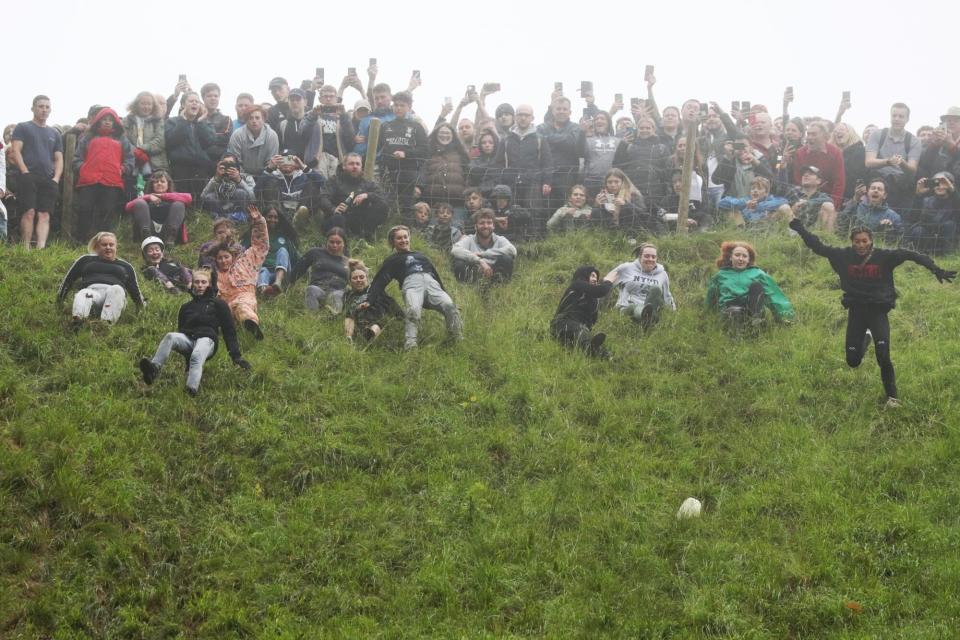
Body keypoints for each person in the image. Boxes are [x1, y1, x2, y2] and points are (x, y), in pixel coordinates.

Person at [788, 216, 955, 407]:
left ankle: (892, 398)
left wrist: (936, 269)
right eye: (857, 241)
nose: (860, 245)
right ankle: (866, 339)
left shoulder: (884, 256)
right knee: (852, 361)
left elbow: (912, 254)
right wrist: (799, 228)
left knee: (883, 356)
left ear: (871, 241)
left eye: (864, 241)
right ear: (851, 242)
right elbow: (818, 246)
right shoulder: (843, 256)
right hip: (857, 311)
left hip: (877, 311)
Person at [138, 268, 250, 396]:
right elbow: (181, 331)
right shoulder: (186, 307)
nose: (200, 285)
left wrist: (236, 357)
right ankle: (154, 369)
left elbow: (229, 330)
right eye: (197, 282)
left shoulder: (219, 304)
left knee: (197, 355)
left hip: (208, 340)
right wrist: (187, 363)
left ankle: (191, 389)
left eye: (203, 282)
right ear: (193, 284)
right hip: (189, 339)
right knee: (170, 336)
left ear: (209, 284)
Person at [367, 225, 463, 350]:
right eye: (399, 238)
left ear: (409, 238)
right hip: (411, 284)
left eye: (405, 237)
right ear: (393, 242)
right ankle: (411, 346)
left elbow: (435, 275)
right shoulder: (392, 260)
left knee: (450, 306)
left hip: (431, 284)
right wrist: (369, 300)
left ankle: (455, 339)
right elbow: (380, 280)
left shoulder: (421, 256)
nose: (403, 240)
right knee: (413, 310)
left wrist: (444, 292)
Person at [72, 107, 135, 241]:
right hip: (88, 181)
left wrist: (122, 170)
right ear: (98, 121)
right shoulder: (87, 137)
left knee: (107, 211)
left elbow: (130, 159)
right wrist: (84, 169)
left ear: (115, 122)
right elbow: (77, 158)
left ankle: (104, 242)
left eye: (110, 120)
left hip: (112, 181)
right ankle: (80, 241)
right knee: (84, 209)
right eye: (104, 119)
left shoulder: (122, 139)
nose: (107, 122)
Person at [57, 232, 145, 325]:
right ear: (97, 247)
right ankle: (78, 322)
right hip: (92, 294)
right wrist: (59, 301)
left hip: (115, 298)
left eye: (111, 245)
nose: (108, 247)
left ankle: (105, 325)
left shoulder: (126, 266)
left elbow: (136, 292)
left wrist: (143, 310)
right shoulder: (85, 260)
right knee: (84, 293)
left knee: (116, 289)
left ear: (116, 247)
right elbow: (68, 280)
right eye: (104, 245)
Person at [208, 204, 268, 339]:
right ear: (216, 260)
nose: (223, 261)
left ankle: (252, 326)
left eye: (226, 257)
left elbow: (260, 246)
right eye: (220, 258)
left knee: (241, 307)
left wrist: (258, 222)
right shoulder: (215, 274)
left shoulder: (245, 263)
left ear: (233, 256)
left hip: (245, 298)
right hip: (226, 304)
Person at [11, 95, 63, 249]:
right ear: (33, 108)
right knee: (29, 212)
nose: (44, 110)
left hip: (48, 178)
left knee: (44, 214)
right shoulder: (23, 127)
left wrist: (56, 178)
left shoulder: (55, 133)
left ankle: (41, 249)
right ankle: (25, 248)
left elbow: (59, 158)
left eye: (47, 107)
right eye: (41, 106)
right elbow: (16, 150)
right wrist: (25, 171)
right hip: (28, 175)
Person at [705, 240, 795, 324]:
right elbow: (711, 298)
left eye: (744, 256)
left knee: (756, 286)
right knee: (734, 314)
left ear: (748, 260)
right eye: (737, 255)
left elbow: (775, 296)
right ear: (730, 258)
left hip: (753, 310)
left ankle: (756, 322)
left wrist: (786, 317)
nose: (741, 259)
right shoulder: (721, 275)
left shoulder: (758, 273)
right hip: (730, 310)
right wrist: (708, 317)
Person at [494, 104, 553, 220]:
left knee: (533, 214)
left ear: (532, 118)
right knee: (510, 213)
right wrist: (499, 183)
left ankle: (534, 238)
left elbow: (547, 163)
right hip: (510, 183)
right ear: (515, 117)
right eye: (520, 115)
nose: (523, 118)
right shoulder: (506, 140)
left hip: (533, 184)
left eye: (527, 115)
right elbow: (498, 164)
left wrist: (547, 182)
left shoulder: (540, 139)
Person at [378, 91, 429, 223]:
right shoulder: (385, 126)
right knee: (386, 204)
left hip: (409, 173)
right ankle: (385, 234)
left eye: (402, 105)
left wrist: (406, 154)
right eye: (396, 105)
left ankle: (408, 235)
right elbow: (378, 148)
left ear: (409, 107)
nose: (398, 108)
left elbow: (425, 150)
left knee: (407, 208)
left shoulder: (416, 126)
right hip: (389, 172)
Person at [605, 243, 676, 329]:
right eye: (646, 256)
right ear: (640, 256)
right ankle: (648, 319)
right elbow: (607, 282)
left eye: (653, 257)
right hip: (627, 308)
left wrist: (673, 316)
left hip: (651, 307)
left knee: (656, 289)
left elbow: (667, 296)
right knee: (634, 308)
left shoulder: (662, 274)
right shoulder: (627, 268)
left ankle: (648, 319)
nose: (650, 259)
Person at [550, 266, 616, 358]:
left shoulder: (594, 301)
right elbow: (600, 291)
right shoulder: (576, 285)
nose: (595, 280)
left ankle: (606, 356)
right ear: (584, 275)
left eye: (596, 278)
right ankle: (590, 349)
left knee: (584, 334)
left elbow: (592, 321)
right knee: (580, 329)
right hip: (562, 323)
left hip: (577, 333)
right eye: (592, 276)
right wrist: (608, 281)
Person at [318, 152, 388, 238]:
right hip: (337, 218)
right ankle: (343, 243)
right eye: (351, 164)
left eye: (358, 164)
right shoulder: (334, 181)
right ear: (344, 166)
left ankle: (366, 236)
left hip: (358, 218)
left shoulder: (366, 183)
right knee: (338, 219)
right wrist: (333, 209)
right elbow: (323, 198)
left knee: (382, 205)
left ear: (361, 166)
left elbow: (383, 196)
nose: (355, 166)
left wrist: (367, 195)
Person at [865, 103, 921, 210]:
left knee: (897, 220)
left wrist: (902, 162)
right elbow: (869, 162)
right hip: (878, 180)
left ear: (907, 119)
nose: (896, 119)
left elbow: (912, 169)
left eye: (901, 116)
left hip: (900, 186)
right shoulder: (877, 134)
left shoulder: (914, 141)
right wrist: (888, 161)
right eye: (894, 115)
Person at [612, 116, 672, 212]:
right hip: (632, 190)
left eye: (648, 128)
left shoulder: (662, 148)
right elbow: (617, 167)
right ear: (637, 129)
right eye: (641, 128)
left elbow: (668, 173)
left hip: (655, 191)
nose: (644, 130)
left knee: (652, 220)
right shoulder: (629, 146)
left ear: (654, 130)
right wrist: (622, 146)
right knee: (633, 219)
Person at [165, 91, 217, 194]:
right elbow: (171, 141)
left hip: (201, 169)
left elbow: (209, 142)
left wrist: (201, 122)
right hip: (180, 168)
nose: (194, 103)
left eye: (197, 102)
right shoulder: (172, 122)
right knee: (183, 199)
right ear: (183, 104)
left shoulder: (205, 122)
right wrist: (183, 122)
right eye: (191, 101)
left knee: (199, 202)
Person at [288, 227, 350, 313]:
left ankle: (332, 317)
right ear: (326, 242)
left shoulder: (348, 262)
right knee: (311, 289)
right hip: (318, 288)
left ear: (344, 244)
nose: (335, 245)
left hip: (337, 291)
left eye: (338, 242)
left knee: (337, 295)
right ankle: (312, 318)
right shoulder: (315, 253)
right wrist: (287, 286)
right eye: (332, 242)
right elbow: (298, 269)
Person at [245, 203, 298, 298]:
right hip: (264, 271)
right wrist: (254, 225)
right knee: (263, 270)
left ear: (279, 220)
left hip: (283, 274)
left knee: (282, 250)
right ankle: (264, 291)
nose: (273, 220)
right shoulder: (256, 236)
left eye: (275, 217)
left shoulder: (284, 237)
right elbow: (242, 250)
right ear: (264, 218)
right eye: (269, 217)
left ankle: (278, 283)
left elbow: (296, 258)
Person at [343, 259, 403, 343]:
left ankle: (370, 336)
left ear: (367, 279)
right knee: (349, 315)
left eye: (361, 277)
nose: (358, 280)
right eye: (354, 278)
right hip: (357, 322)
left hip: (375, 319)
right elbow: (344, 311)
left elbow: (390, 304)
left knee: (376, 322)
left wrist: (401, 318)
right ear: (350, 282)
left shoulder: (375, 291)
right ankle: (348, 339)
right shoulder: (348, 295)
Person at [451, 208, 517, 283]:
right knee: (459, 262)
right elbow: (455, 249)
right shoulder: (469, 239)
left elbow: (512, 250)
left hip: (495, 275)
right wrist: (480, 261)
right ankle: (469, 289)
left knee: (507, 259)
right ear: (475, 226)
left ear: (493, 226)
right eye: (482, 223)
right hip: (475, 275)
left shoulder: (500, 239)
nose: (486, 226)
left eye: (489, 223)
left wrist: (483, 254)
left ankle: (500, 288)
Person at [125, 169, 191, 244]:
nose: (159, 183)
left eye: (162, 181)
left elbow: (188, 198)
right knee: (140, 203)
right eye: (156, 182)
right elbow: (127, 207)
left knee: (179, 204)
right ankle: (147, 239)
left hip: (167, 230)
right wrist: (149, 197)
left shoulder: (175, 196)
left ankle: (170, 239)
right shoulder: (146, 197)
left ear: (168, 184)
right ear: (152, 185)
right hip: (149, 230)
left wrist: (162, 196)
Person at [256, 153, 325, 220]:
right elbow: (256, 190)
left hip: (300, 209)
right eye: (283, 160)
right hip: (278, 212)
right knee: (270, 184)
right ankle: (283, 219)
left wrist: (303, 167)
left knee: (313, 185)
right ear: (278, 164)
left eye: (290, 160)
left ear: (296, 163)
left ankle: (299, 219)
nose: (286, 163)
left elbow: (324, 184)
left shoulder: (304, 176)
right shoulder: (271, 175)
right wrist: (269, 168)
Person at [793, 121, 845, 208]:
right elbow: (798, 179)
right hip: (805, 197)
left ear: (825, 137)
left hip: (828, 199)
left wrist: (834, 206)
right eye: (808, 134)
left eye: (813, 134)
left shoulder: (835, 153)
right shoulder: (800, 153)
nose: (809, 137)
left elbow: (839, 182)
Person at [905, 171, 959, 253]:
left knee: (949, 225)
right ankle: (919, 255)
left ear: (950, 185)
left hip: (948, 242)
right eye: (936, 183)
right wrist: (918, 195)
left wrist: (953, 190)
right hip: (929, 241)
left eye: (944, 183)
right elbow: (912, 219)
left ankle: (946, 255)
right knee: (918, 230)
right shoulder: (925, 201)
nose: (940, 186)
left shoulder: (955, 201)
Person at [420, 122, 469, 209]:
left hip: (457, 202)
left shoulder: (460, 153)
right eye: (441, 133)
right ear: (436, 135)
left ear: (453, 136)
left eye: (447, 133)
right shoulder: (429, 152)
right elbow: (422, 172)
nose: (444, 135)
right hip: (432, 201)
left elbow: (468, 175)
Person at [123, 91, 168, 178]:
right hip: (132, 165)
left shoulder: (158, 120)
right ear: (136, 104)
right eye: (143, 103)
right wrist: (135, 152)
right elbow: (123, 140)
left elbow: (160, 141)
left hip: (155, 167)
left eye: (149, 104)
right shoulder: (127, 120)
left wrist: (141, 149)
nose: (146, 107)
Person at [200, 153, 256, 222]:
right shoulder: (216, 178)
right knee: (210, 197)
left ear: (237, 166)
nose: (228, 167)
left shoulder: (246, 177)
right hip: (220, 207)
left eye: (231, 164)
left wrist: (239, 180)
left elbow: (253, 198)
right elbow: (203, 197)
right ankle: (220, 220)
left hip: (238, 210)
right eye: (225, 164)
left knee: (241, 192)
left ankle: (238, 219)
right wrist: (217, 178)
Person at [227, 106, 278, 178]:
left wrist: (264, 176)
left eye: (257, 118)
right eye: (250, 118)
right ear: (246, 120)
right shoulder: (237, 135)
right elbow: (236, 161)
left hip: (266, 175)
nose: (254, 121)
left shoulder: (272, 135)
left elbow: (271, 162)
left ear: (263, 119)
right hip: (241, 176)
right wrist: (245, 179)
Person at [718, 176, 789, 227]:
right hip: (748, 227)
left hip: (767, 226)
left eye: (759, 188)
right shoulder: (746, 200)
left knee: (785, 207)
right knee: (732, 211)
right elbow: (721, 202)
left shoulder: (770, 199)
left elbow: (784, 201)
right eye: (753, 188)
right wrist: (745, 204)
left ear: (766, 193)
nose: (755, 190)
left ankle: (794, 234)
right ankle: (739, 235)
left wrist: (758, 206)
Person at [784, 166, 837, 232]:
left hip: (813, 230)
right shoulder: (794, 190)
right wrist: (792, 209)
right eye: (804, 174)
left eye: (811, 174)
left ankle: (826, 239)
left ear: (818, 181)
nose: (805, 175)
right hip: (791, 229)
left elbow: (830, 200)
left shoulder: (821, 196)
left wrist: (806, 202)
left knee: (828, 206)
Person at [583, 111, 620, 196]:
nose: (599, 121)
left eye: (602, 118)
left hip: (611, 182)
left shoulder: (617, 141)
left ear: (608, 123)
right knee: (593, 207)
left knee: (610, 207)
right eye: (596, 119)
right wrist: (582, 132)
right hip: (592, 181)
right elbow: (579, 150)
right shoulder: (587, 140)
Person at [831, 122, 866, 203]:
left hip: (853, 197)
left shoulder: (860, 151)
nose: (838, 132)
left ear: (850, 132)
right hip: (835, 197)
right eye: (835, 131)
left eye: (841, 129)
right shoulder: (833, 154)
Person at [466, 130, 501, 196]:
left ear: (495, 144)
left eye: (490, 142)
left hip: (496, 195)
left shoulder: (501, 160)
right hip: (479, 195)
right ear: (480, 145)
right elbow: (473, 172)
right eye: (483, 143)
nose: (487, 145)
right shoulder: (475, 160)